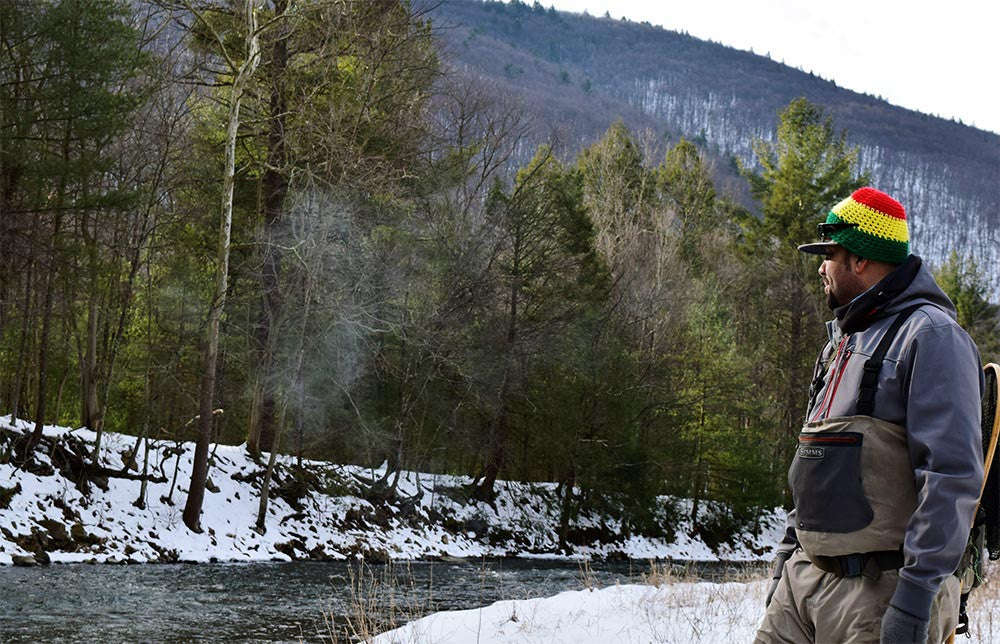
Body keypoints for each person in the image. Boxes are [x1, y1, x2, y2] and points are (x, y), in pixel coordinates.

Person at [754, 187, 984, 644]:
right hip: (803, 583)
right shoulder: (840, 343)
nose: (821, 267)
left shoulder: (933, 337)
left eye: (830, 254)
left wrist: (916, 599)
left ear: (860, 260)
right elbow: (816, 462)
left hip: (878, 593)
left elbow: (951, 477)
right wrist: (786, 558)